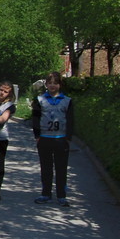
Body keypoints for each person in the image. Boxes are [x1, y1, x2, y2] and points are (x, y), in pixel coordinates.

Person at [32, 72, 74, 206]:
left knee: (61, 168)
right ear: (46, 84)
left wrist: (68, 137)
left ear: (60, 85)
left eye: (55, 83)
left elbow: (70, 120)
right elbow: (35, 118)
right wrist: (37, 135)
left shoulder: (67, 101)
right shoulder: (40, 100)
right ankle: (46, 194)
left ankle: (61, 195)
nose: (52, 85)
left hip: (60, 139)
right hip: (44, 138)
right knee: (46, 168)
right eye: (50, 83)